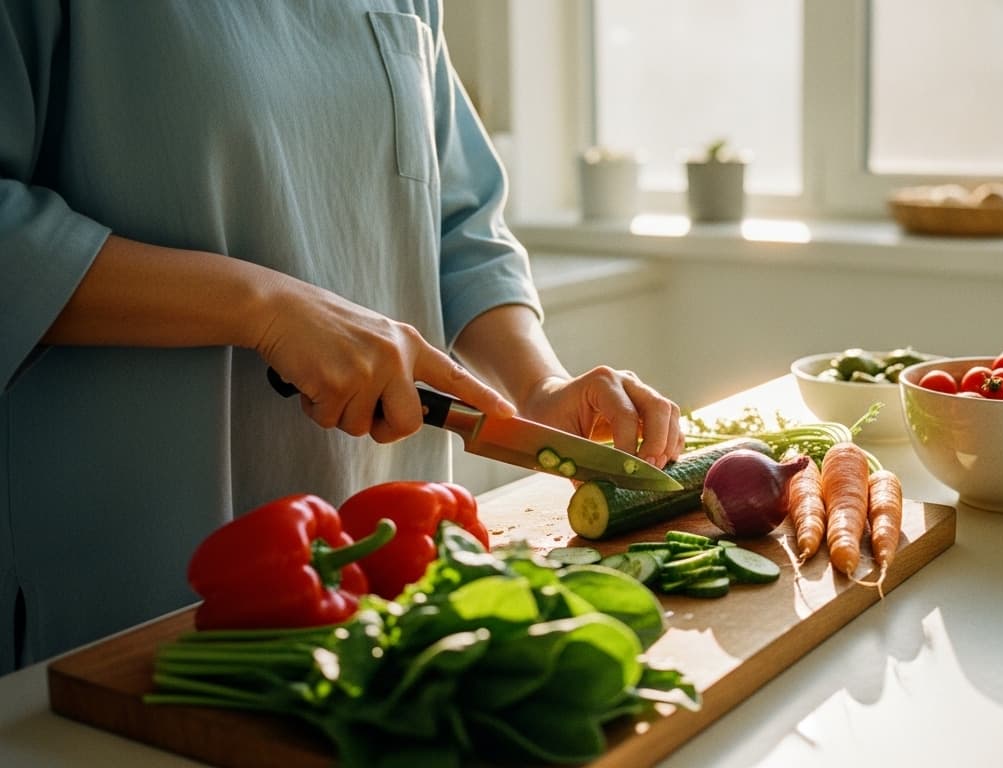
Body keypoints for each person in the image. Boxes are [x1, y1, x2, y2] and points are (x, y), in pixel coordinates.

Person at [0, 1, 684, 673]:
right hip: (121, 588)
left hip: (391, 571)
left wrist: (537, 385)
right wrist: (266, 307)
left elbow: (459, 222)